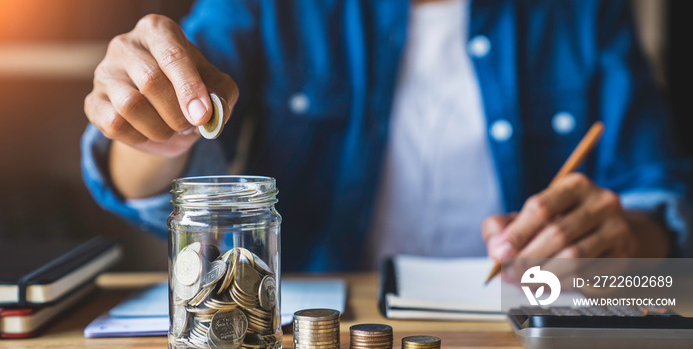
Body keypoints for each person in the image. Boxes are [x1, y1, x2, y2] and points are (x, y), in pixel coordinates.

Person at [82, 0, 692, 272]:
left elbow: (655, 199)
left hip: (520, 338)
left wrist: (620, 239)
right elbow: (152, 185)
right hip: (321, 340)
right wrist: (149, 134)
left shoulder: (585, 10)